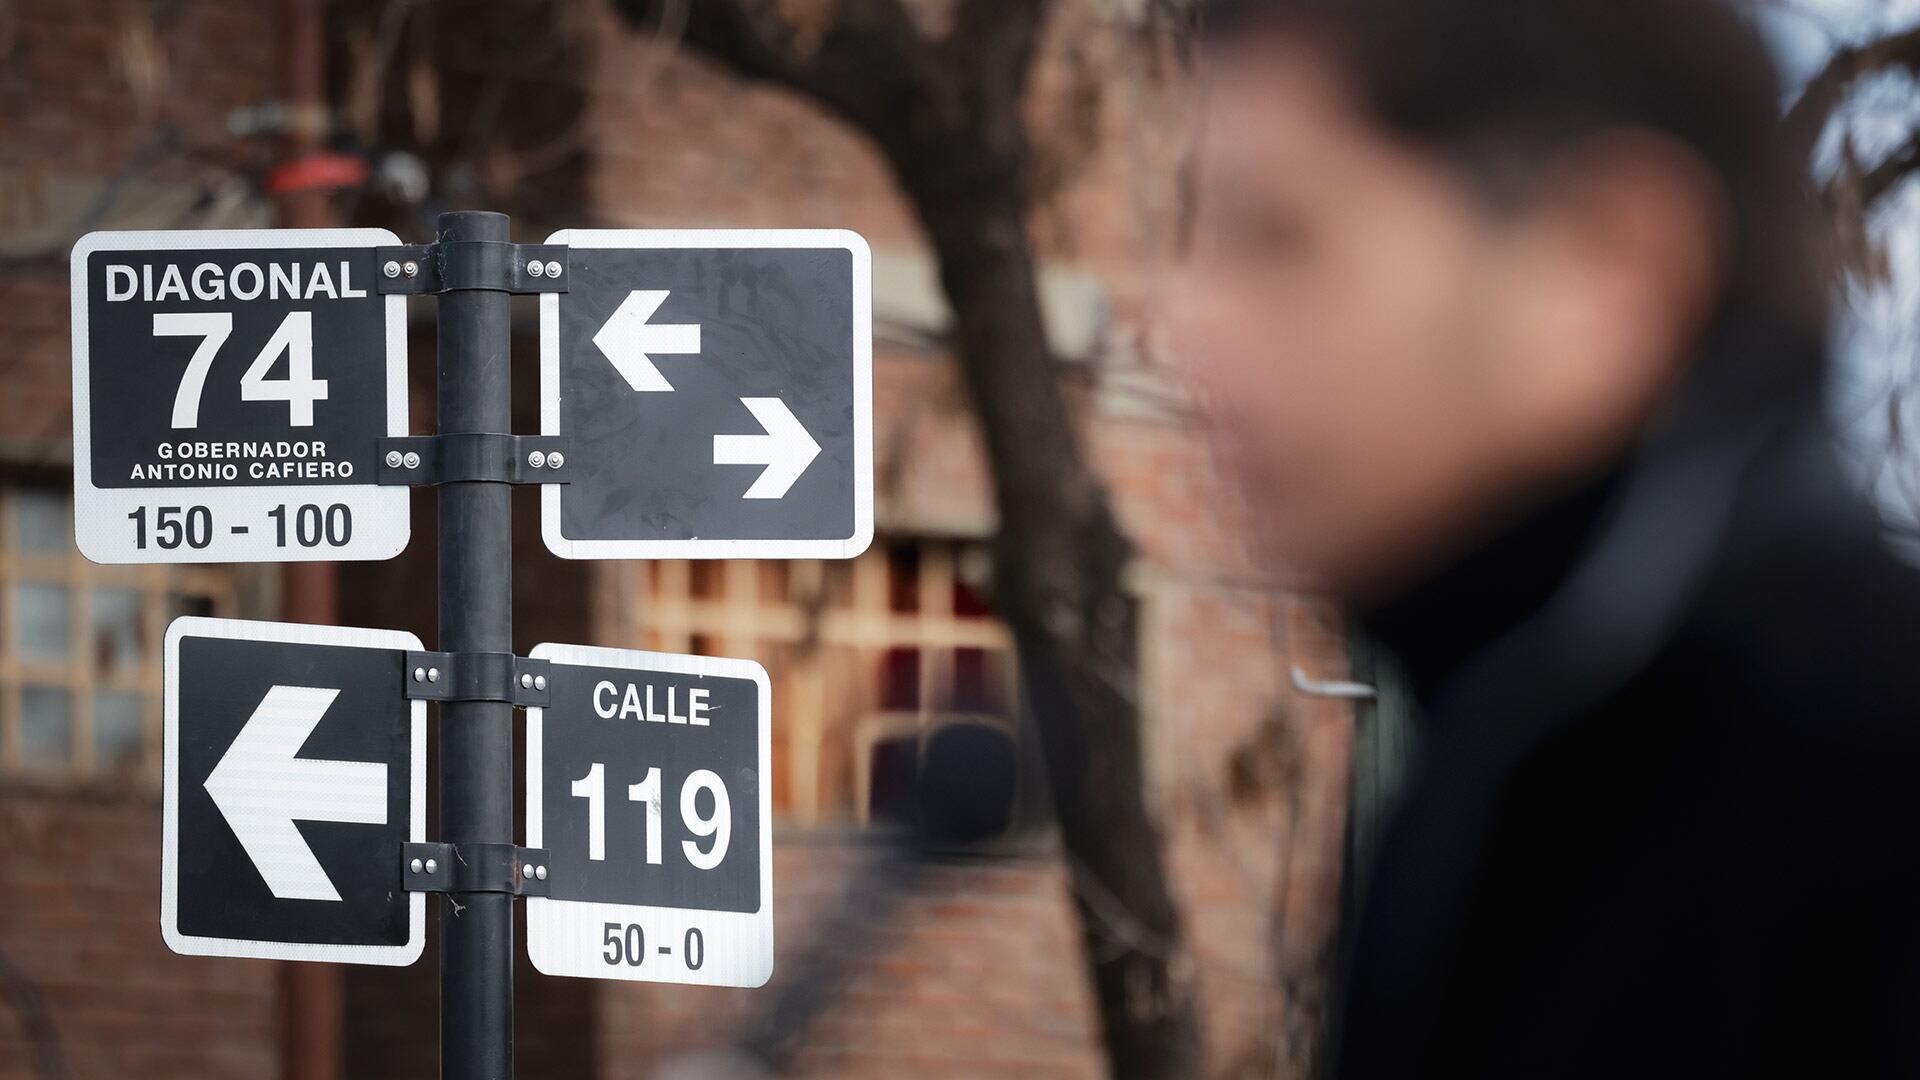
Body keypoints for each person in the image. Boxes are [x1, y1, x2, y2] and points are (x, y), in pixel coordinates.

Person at [1173, 1, 1920, 1076]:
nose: (1181, 335)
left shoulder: (1856, 751)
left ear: (1610, 266)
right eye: (1188, 244)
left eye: (1278, 238)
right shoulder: (1506, 727)